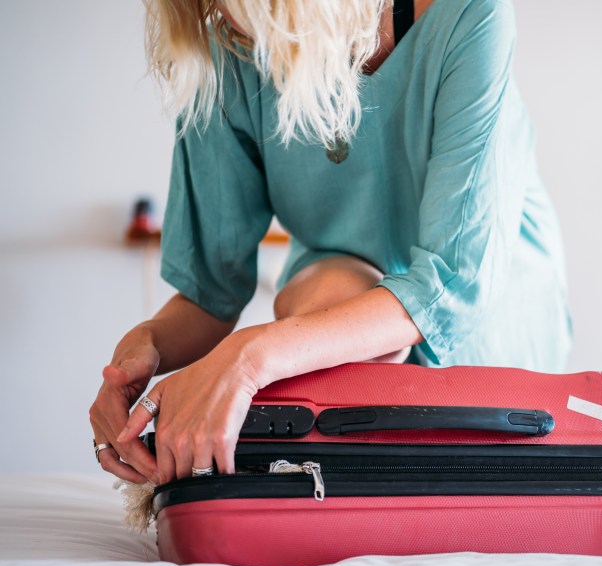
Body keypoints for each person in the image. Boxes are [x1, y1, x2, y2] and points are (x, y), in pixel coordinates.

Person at [89, 0, 571, 485]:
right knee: (336, 292)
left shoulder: (469, 14)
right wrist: (144, 348)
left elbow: (452, 285)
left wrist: (247, 360)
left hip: (488, 320)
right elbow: (209, 296)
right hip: (334, 295)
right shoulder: (228, 45)